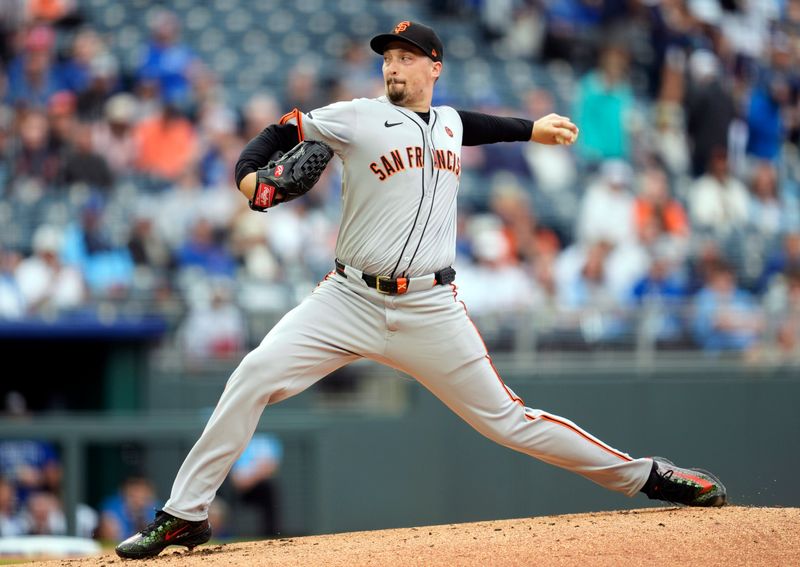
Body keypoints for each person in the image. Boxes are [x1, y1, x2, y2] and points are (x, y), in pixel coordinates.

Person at [116, 21, 727, 560]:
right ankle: (184, 516)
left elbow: (478, 126)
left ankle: (648, 476)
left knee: (509, 421)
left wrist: (532, 130)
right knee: (251, 377)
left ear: (435, 67)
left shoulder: (451, 122)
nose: (393, 65)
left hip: (431, 306)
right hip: (347, 299)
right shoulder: (356, 115)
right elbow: (281, 131)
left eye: (407, 56)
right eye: (388, 56)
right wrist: (250, 178)